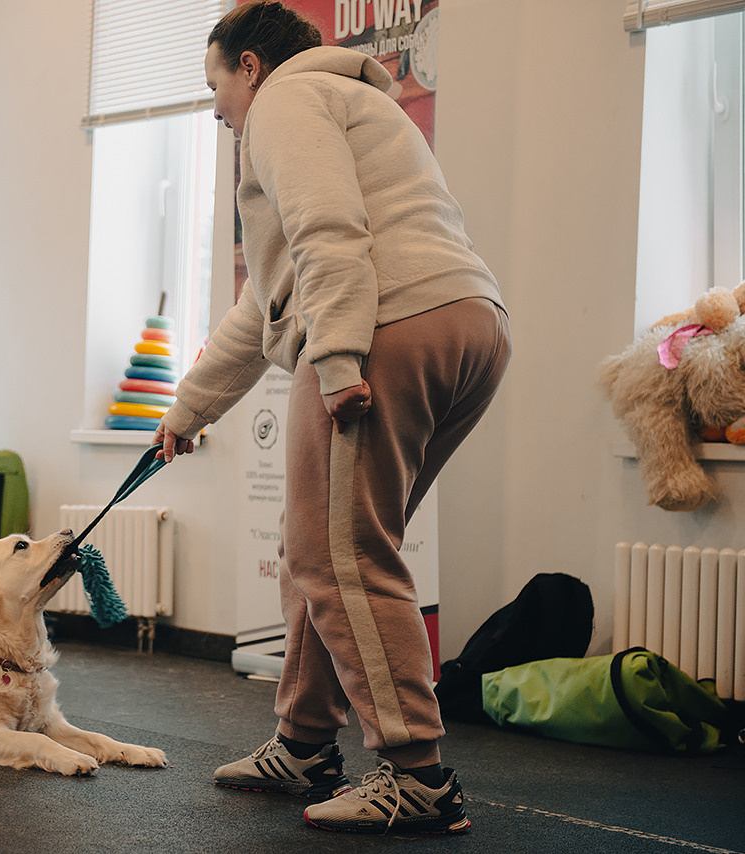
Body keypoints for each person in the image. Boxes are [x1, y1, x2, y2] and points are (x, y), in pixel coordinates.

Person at [153, 0, 511, 836]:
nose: (215, 108)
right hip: (468, 324)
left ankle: (415, 775)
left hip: (389, 325)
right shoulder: (358, 103)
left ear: (250, 65)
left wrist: (342, 359)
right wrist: (189, 410)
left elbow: (328, 231)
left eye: (216, 83)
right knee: (323, 543)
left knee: (337, 551)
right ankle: (305, 743)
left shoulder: (283, 102)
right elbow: (264, 308)